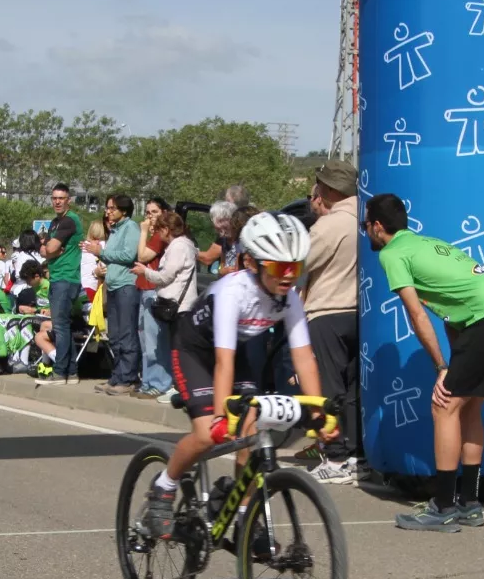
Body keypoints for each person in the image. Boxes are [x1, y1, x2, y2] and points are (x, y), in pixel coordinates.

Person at [142, 212, 335, 537]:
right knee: (208, 434)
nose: (289, 277)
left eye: (296, 268)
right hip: (196, 351)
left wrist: (318, 411)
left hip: (240, 348)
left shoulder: (287, 298)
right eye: (279, 267)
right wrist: (220, 415)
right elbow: (223, 361)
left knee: (251, 425)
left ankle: (245, 515)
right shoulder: (233, 291)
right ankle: (164, 486)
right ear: (251, 263)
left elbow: (305, 358)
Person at [362, 193, 484, 532]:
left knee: (444, 407)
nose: (366, 232)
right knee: (469, 408)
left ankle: (442, 506)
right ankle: (468, 503)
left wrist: (441, 368)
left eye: (365, 225)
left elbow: (416, 314)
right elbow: (454, 318)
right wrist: (453, 363)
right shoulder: (428, 243)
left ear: (377, 227)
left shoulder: (393, 253)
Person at [302, 160, 362, 485]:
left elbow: (300, 263)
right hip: (359, 314)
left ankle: (335, 457)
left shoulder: (329, 225)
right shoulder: (365, 220)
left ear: (328, 190)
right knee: (354, 390)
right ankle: (354, 455)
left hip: (327, 311)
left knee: (328, 389)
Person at [133, 209, 199, 398]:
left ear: (167, 229)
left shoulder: (178, 246)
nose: (158, 234)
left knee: (175, 348)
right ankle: (175, 387)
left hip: (179, 305)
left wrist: (144, 272)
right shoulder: (183, 245)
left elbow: (165, 276)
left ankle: (175, 388)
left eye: (160, 229)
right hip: (177, 303)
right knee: (174, 346)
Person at [88, 194, 142, 396]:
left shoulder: (131, 228)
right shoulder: (115, 230)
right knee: (116, 334)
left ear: (124, 211)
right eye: (108, 208)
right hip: (113, 285)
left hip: (127, 286)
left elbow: (129, 255)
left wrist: (100, 253)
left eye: (112, 208)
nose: (108, 211)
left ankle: (128, 378)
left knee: (127, 333)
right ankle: (117, 376)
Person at [42, 184, 83, 385]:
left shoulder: (69, 221)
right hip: (57, 277)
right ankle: (72, 372)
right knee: (63, 326)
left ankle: (59, 372)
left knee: (60, 327)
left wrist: (49, 249)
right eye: (54, 198)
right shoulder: (55, 222)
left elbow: (50, 247)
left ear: (69, 200)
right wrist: (49, 249)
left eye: (61, 198)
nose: (57, 201)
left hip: (66, 279)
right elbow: (47, 250)